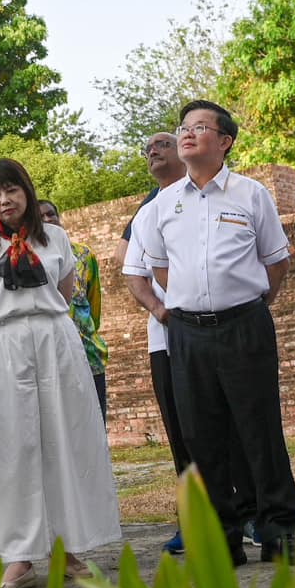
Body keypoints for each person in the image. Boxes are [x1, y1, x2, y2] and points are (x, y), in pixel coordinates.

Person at [132, 100, 295, 565]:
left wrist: (244, 304)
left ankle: (277, 530)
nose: (187, 134)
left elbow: (277, 262)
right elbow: (158, 267)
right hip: (188, 335)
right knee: (202, 437)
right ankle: (223, 537)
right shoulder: (165, 203)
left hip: (245, 326)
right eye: (183, 127)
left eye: (200, 127)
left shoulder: (251, 194)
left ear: (224, 142)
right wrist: (191, 305)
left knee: (260, 431)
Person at [0, 160, 122, 588]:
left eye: (11, 190)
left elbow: (67, 293)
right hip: (3, 345)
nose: (4, 200)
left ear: (27, 192)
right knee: (11, 448)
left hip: (55, 341)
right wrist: (10, 334)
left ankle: (66, 548)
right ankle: (19, 556)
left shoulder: (57, 240)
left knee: (63, 441)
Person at [116, 132, 193, 555]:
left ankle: (245, 509)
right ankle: (191, 518)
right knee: (180, 434)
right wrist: (160, 309)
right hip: (165, 338)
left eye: (162, 143)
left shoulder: (205, 196)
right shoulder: (147, 210)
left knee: (228, 424)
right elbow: (124, 263)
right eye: (147, 148)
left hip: (212, 328)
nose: (153, 150)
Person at [39, 200, 107, 415]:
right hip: (50, 359)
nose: (48, 220)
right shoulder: (27, 259)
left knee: (95, 422)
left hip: (87, 354)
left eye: (51, 214)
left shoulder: (84, 255)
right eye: (40, 217)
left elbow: (94, 304)